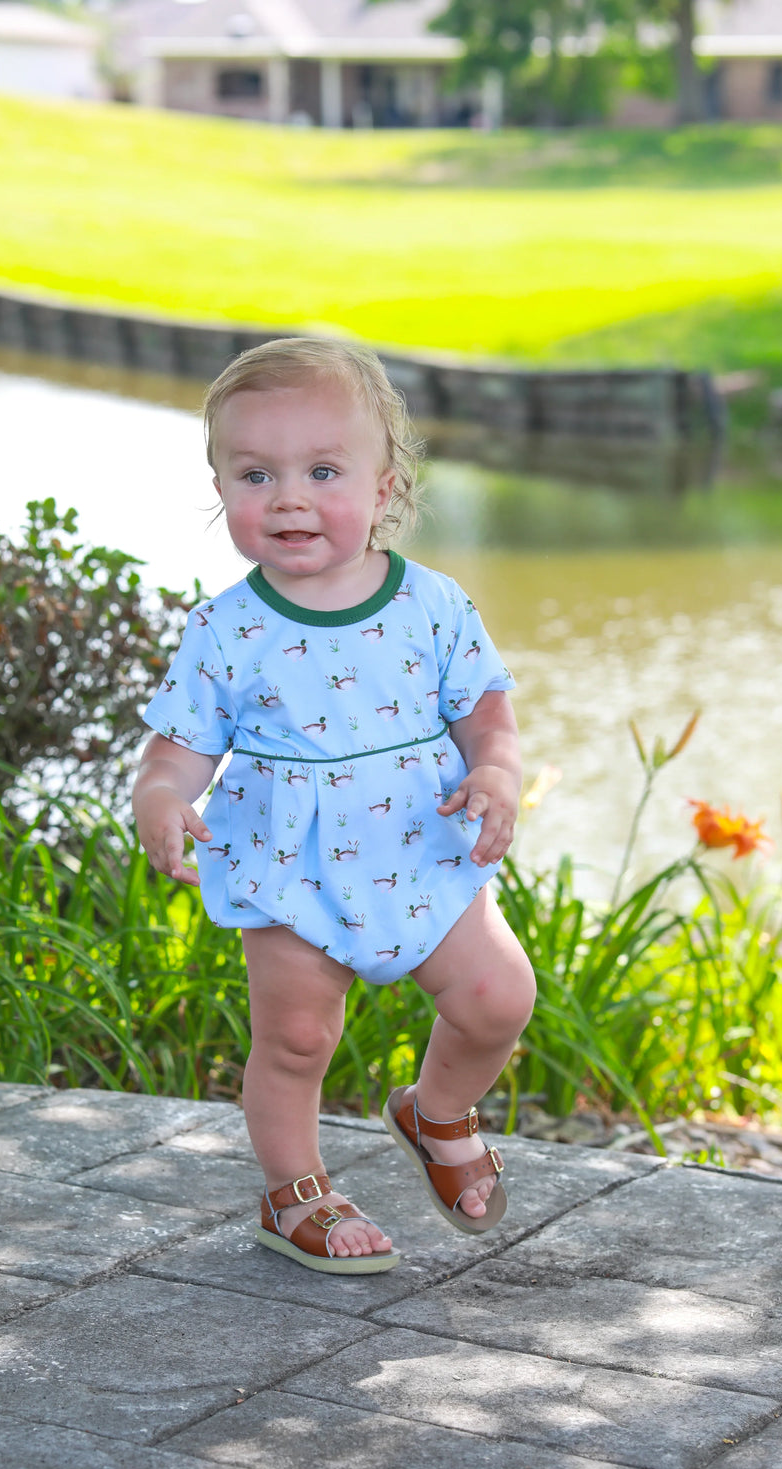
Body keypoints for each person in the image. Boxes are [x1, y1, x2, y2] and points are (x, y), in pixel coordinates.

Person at [132, 338, 536, 1274]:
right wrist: (160, 793)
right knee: (297, 1037)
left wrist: (499, 774)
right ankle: (293, 1190)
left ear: (386, 486)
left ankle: (437, 1112)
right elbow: (182, 745)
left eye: (322, 470)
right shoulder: (226, 629)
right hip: (288, 865)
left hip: (421, 847)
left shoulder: (432, 606)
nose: (289, 498)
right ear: (221, 488)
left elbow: (487, 716)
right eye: (255, 474)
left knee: (496, 996)